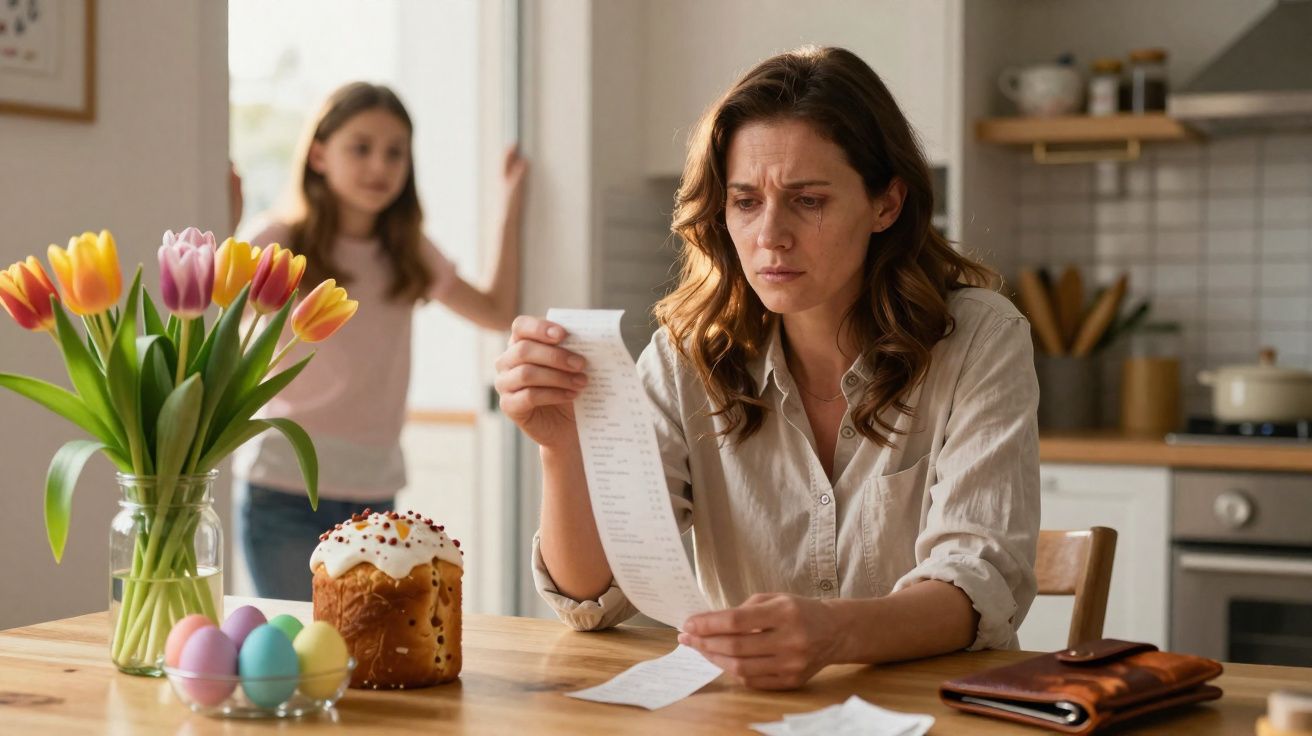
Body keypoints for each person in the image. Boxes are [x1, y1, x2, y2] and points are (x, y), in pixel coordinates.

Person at [495, 46, 1038, 690]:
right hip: (741, 715)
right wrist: (561, 449)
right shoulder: (685, 356)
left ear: (886, 204)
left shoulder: (979, 337)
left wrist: (836, 631)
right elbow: (596, 595)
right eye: (746, 202)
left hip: (932, 713)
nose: (770, 235)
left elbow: (980, 579)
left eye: (808, 200)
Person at [235, 82, 528, 601]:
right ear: (320, 154)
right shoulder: (278, 241)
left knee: (362, 658)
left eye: (396, 152)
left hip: (372, 491)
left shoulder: (408, 252)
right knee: (297, 652)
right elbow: (213, 317)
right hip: (281, 490)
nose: (380, 166)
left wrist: (511, 207)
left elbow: (496, 312)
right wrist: (227, 218)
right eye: (362, 147)